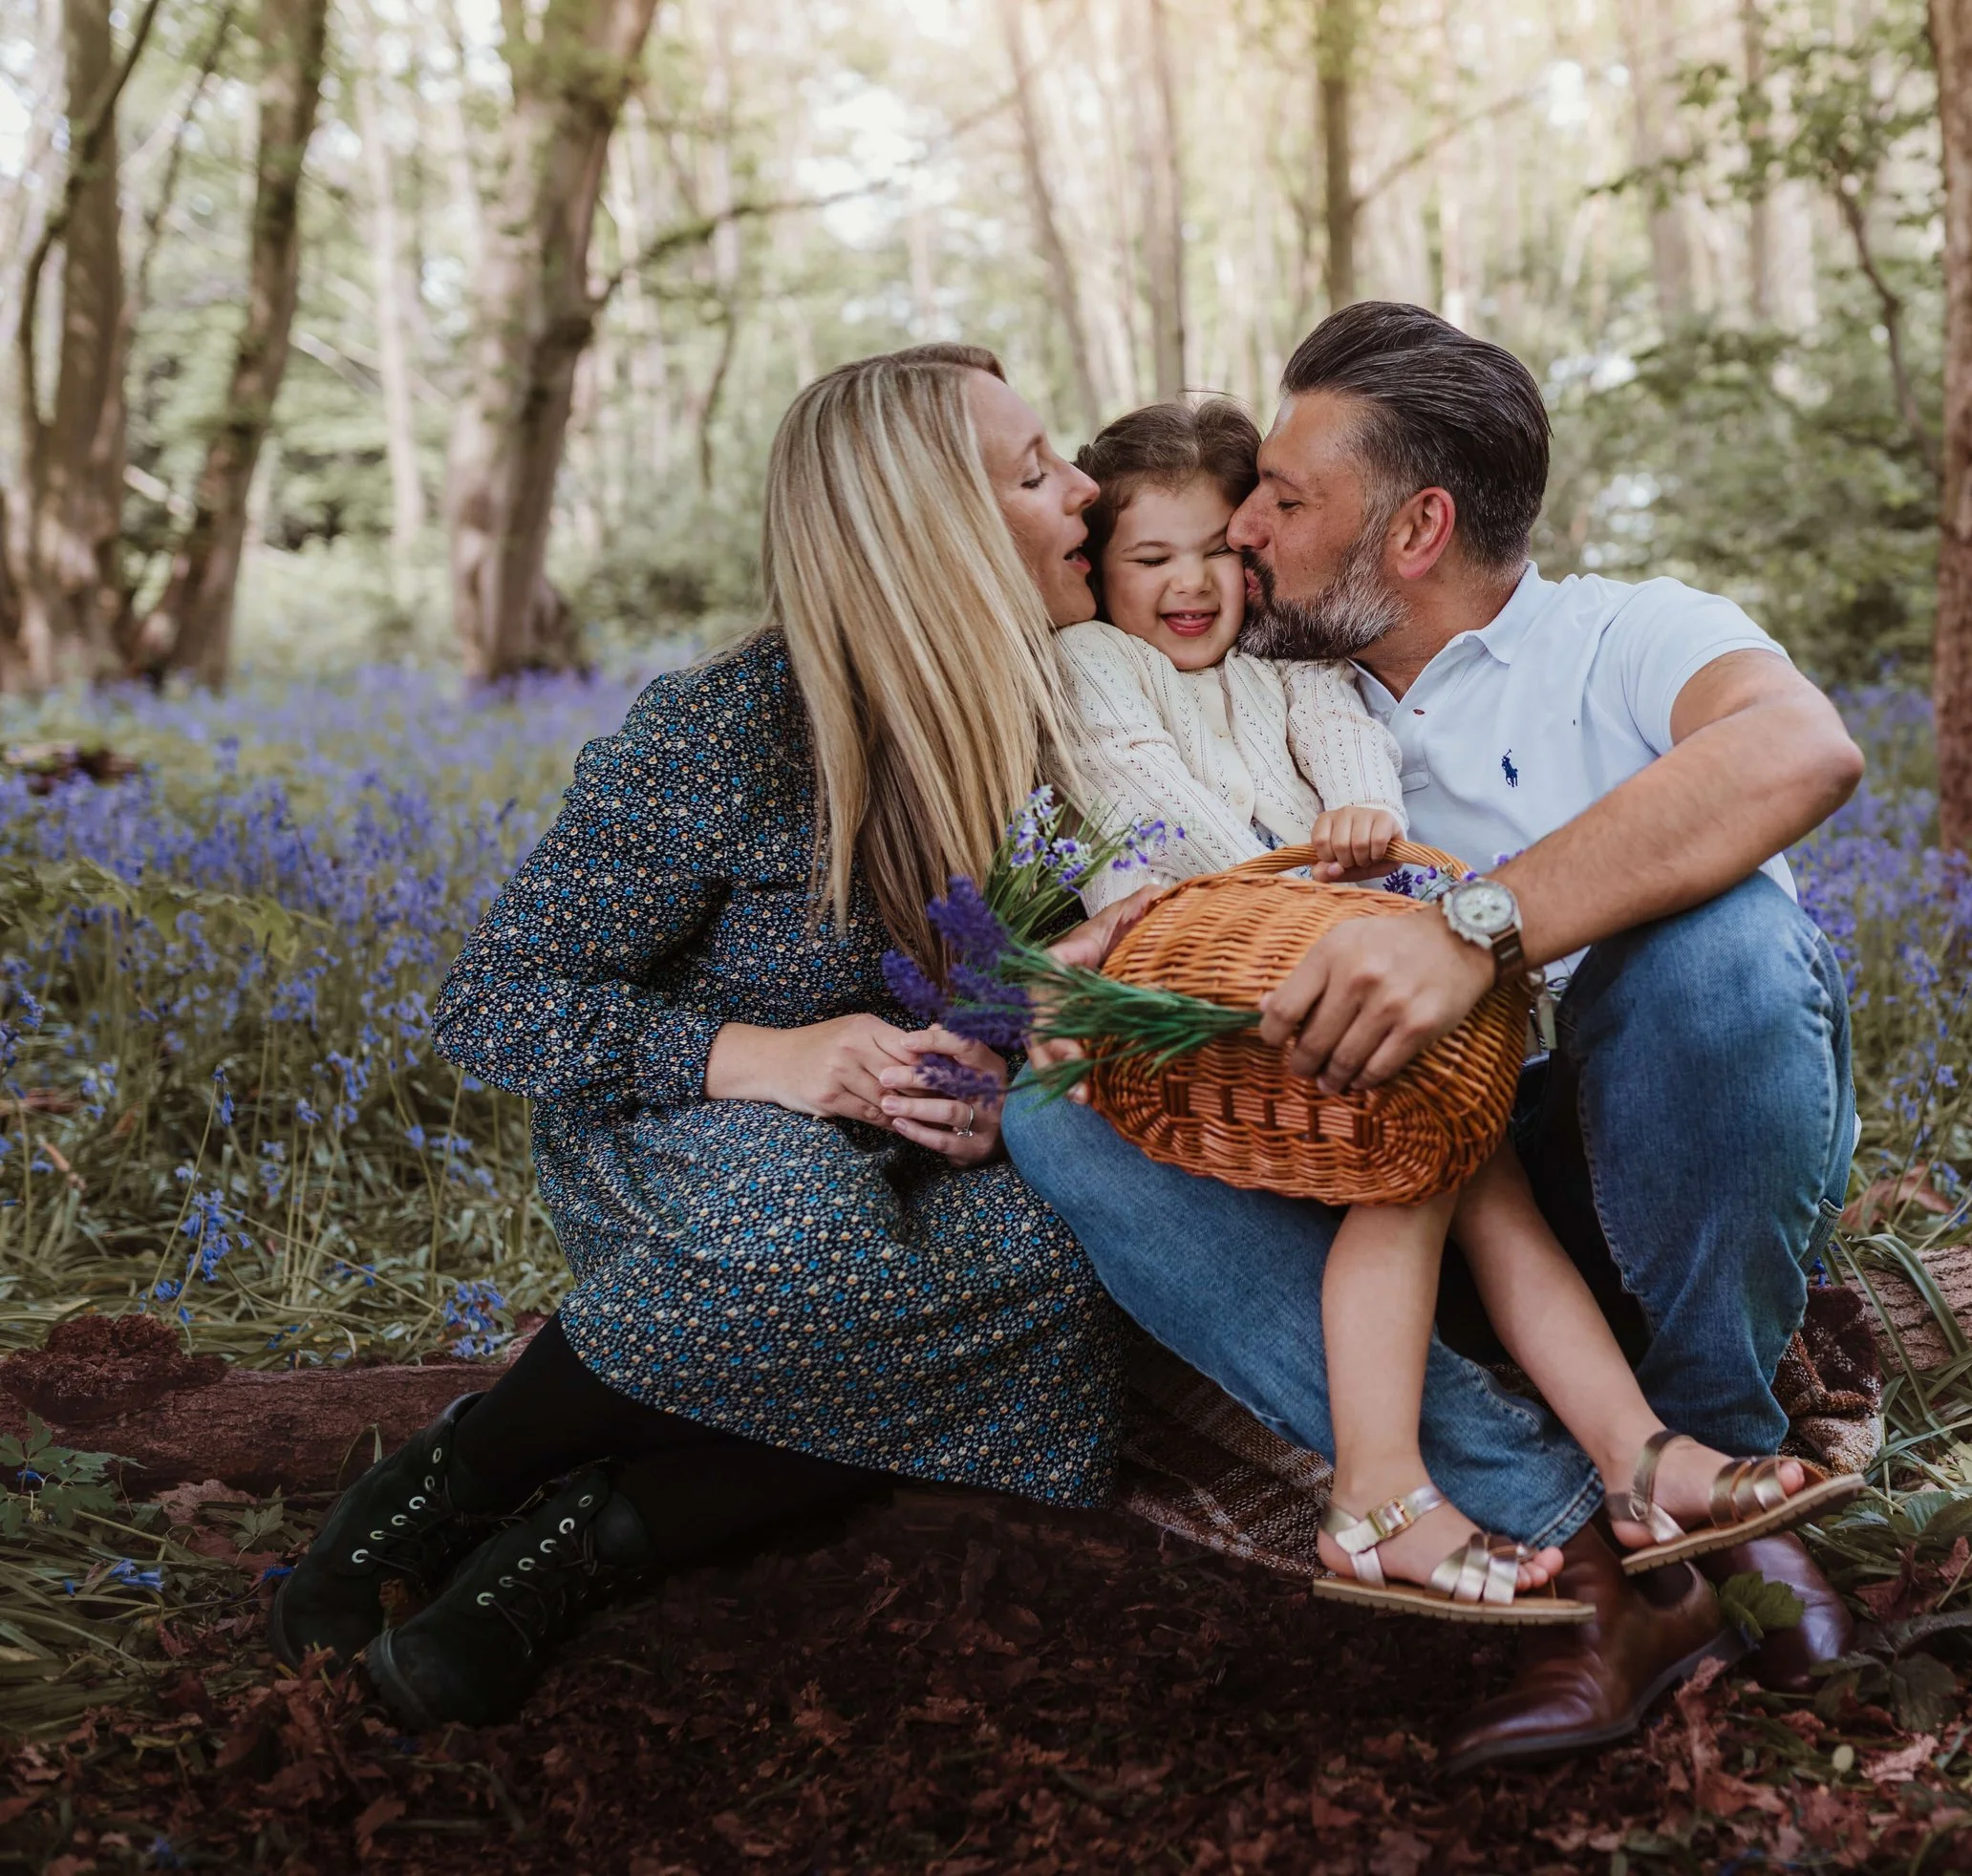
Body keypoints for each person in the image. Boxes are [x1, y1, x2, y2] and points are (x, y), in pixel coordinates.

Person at [1006, 302, 1865, 1769]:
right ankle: (1579, 1564)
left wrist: (1471, 933)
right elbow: (1142, 844)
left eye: (1283, 500)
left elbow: (1801, 748)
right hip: (1359, 1178)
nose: (1243, 529)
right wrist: (1092, 973)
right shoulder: (1251, 681)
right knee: (1058, 1106)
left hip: (1644, 1152)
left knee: (1722, 948)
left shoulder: (1625, 633)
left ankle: (1721, 1469)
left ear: (1414, 530)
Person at [268, 343, 1143, 1727]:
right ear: (937, 536)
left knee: (1066, 1278)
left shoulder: (1055, 725)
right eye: (1036, 473)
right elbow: (493, 1002)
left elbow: (999, 971)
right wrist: (767, 1059)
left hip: (914, 1162)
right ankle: (461, 1476)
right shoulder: (726, 731)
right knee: (804, 1227)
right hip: (684, 1137)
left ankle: (586, 1541)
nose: (1086, 488)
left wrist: (988, 1071)